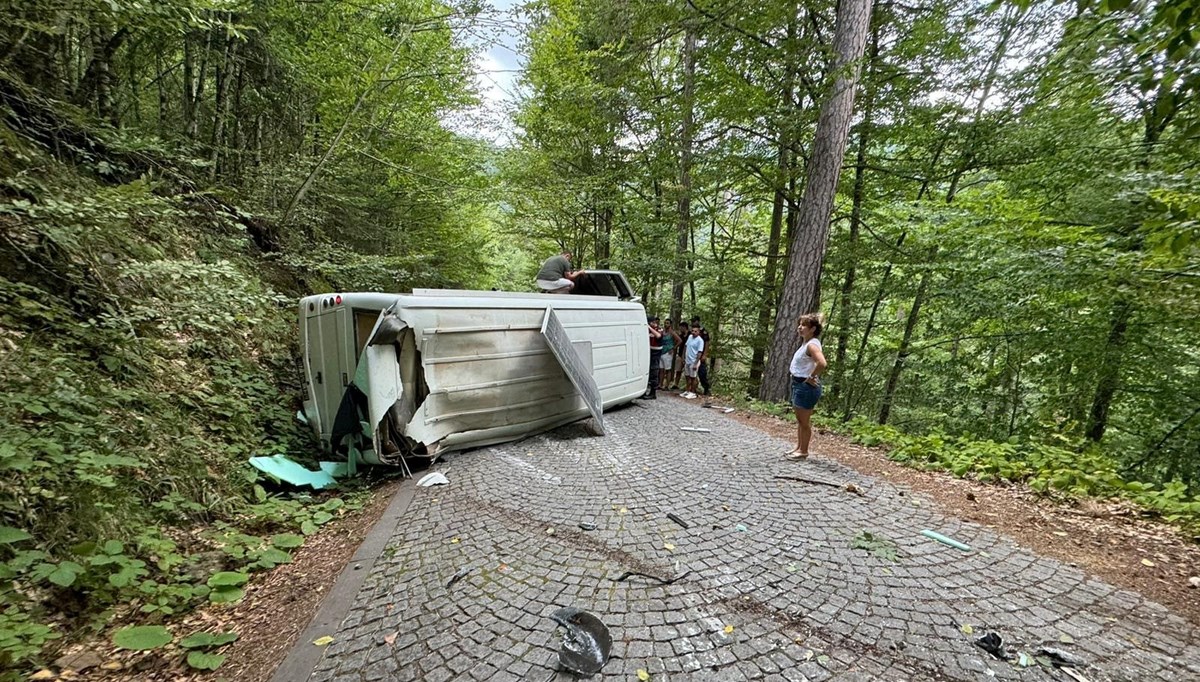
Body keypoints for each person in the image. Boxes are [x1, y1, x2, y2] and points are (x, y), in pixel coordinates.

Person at [787, 313, 828, 461]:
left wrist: (811, 376)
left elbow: (822, 363)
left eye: (804, 325)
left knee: (804, 422)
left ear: (813, 329)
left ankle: (804, 451)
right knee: (800, 420)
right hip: (799, 384)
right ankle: (799, 447)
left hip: (806, 387)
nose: (800, 327)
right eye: (800, 324)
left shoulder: (811, 345)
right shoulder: (806, 343)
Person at [681, 323, 705, 399]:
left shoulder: (700, 341)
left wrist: (696, 363)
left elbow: (699, 352)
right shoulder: (690, 337)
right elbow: (686, 346)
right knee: (687, 376)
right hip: (687, 360)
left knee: (693, 377)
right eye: (692, 331)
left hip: (694, 361)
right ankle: (687, 390)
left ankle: (693, 392)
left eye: (695, 331)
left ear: (698, 332)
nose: (693, 332)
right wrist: (683, 356)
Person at [691, 316, 712, 396]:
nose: (693, 323)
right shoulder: (692, 331)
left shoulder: (704, 331)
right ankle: (692, 389)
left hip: (701, 354)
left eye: (694, 321)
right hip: (693, 355)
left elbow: (707, 343)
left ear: (698, 321)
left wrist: (704, 354)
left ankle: (706, 388)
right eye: (692, 321)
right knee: (691, 373)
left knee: (702, 373)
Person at [644, 316, 663, 400]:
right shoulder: (647, 330)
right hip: (649, 351)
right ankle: (644, 391)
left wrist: (649, 327)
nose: (653, 323)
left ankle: (653, 393)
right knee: (647, 371)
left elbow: (658, 336)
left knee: (654, 371)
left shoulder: (659, 329)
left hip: (656, 352)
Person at [659, 320, 680, 391]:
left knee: (668, 369)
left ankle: (667, 385)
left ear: (670, 324)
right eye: (665, 323)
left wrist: (673, 348)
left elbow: (679, 340)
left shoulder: (672, 332)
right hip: (662, 351)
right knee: (661, 369)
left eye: (667, 323)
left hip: (668, 352)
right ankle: (660, 384)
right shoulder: (662, 332)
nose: (666, 324)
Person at [670, 319, 687, 390]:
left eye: (681, 327)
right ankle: (676, 384)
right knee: (678, 370)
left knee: (687, 372)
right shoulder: (681, 335)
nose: (680, 329)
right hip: (680, 355)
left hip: (688, 356)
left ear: (684, 327)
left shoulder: (690, 335)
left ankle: (689, 386)